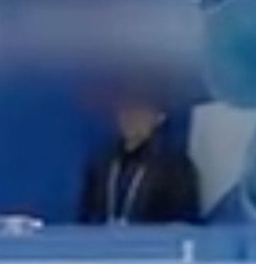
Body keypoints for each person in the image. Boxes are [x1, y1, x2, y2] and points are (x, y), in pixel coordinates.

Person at [75, 87, 202, 226]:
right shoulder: (102, 162)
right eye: (125, 110)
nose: (130, 117)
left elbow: (183, 226)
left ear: (159, 117)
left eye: (139, 111)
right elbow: (85, 218)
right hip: (102, 245)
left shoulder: (176, 167)